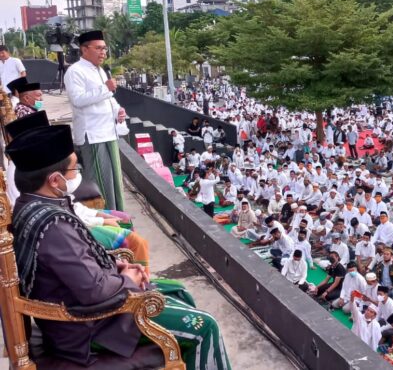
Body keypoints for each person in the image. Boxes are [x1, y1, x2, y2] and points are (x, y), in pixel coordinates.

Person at [8, 125, 230, 369]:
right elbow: (94, 291)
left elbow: (75, 265)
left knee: (177, 290)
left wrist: (114, 264)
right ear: (54, 180)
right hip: (92, 327)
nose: (76, 174)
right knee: (205, 326)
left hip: (89, 310)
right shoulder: (54, 227)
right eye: (73, 168)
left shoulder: (31, 205)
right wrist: (128, 279)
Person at [64, 30, 127, 211]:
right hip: (92, 135)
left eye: (104, 49)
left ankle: (118, 215)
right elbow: (78, 100)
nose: (103, 53)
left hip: (108, 132)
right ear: (84, 49)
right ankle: (105, 219)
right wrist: (105, 88)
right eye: (98, 48)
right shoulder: (75, 71)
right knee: (100, 182)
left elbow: (108, 99)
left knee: (114, 180)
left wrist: (118, 111)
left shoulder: (99, 70)